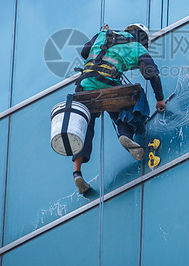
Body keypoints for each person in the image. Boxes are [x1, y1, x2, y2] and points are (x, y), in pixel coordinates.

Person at [71, 24, 167, 194]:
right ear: (142, 39)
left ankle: (77, 172)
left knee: (85, 127)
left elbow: (85, 52)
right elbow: (152, 73)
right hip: (108, 86)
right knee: (134, 96)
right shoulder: (136, 46)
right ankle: (125, 134)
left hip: (84, 86)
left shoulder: (103, 34)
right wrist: (160, 99)